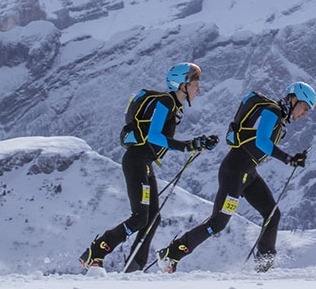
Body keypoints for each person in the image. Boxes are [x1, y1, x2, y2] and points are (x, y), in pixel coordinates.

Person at [155, 81, 316, 274]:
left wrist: (290, 159)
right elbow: (262, 141)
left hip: (248, 173)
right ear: (294, 99)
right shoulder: (272, 111)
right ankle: (171, 254)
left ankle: (264, 265)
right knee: (217, 223)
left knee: (272, 214)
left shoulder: (279, 118)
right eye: (304, 108)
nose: (304, 113)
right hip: (235, 171)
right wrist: (288, 159)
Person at [79, 62, 218, 273]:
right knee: (140, 217)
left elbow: (159, 140)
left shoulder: (174, 106)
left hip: (143, 162)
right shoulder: (165, 101)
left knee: (153, 218)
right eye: (196, 83)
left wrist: (197, 143)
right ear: (182, 85)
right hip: (136, 161)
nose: (199, 88)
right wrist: (188, 145)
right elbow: (154, 136)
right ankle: (95, 252)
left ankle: (134, 268)